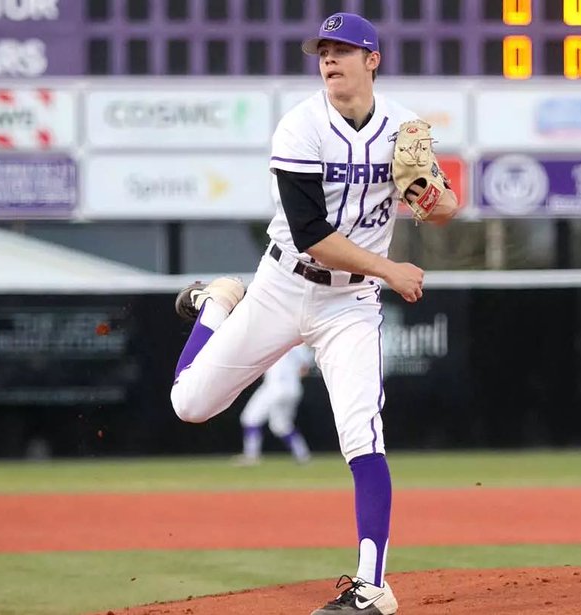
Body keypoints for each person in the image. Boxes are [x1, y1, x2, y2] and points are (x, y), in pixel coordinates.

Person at [169, 11, 458, 615]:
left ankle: (373, 586)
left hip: (348, 304)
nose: (329, 59)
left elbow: (441, 206)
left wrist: (433, 197)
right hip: (281, 284)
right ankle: (218, 303)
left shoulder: (404, 127)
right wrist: (391, 269)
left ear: (371, 60)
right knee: (189, 406)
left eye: (343, 50)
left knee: (362, 432)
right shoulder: (299, 127)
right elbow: (310, 234)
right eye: (322, 51)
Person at [232, 344, 315, 466]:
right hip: (293, 388)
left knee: (250, 418)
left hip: (274, 387)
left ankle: (251, 456)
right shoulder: (300, 346)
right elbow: (304, 370)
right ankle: (303, 455)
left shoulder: (274, 337)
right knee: (281, 426)